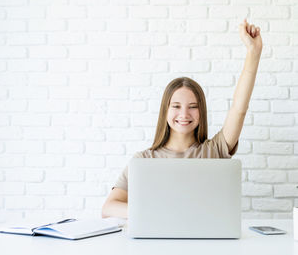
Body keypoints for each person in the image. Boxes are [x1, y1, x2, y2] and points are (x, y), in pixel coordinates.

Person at [101, 19, 262, 219]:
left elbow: (239, 108)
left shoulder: (214, 150)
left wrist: (253, 53)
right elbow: (109, 208)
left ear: (201, 112)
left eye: (193, 107)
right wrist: (155, 213)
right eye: (176, 107)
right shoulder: (144, 160)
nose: (184, 115)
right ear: (165, 111)